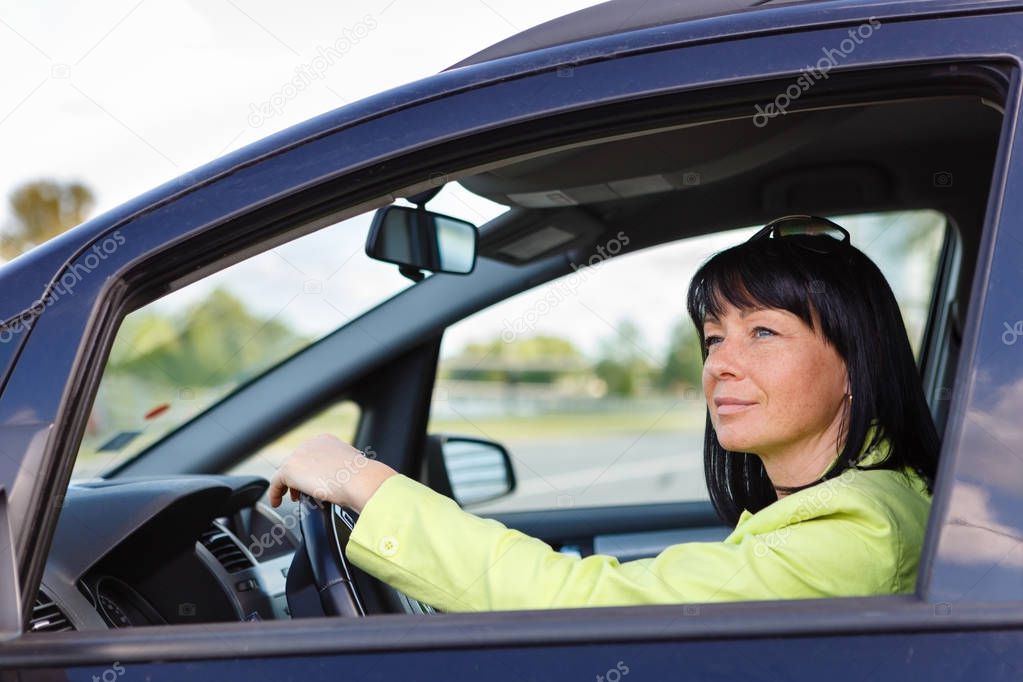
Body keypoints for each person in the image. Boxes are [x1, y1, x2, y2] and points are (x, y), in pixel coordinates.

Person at [268, 214, 938, 612]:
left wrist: (363, 481)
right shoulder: (860, 502)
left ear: (856, 359)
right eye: (712, 339)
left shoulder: (858, 530)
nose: (720, 365)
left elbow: (588, 604)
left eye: (762, 333)